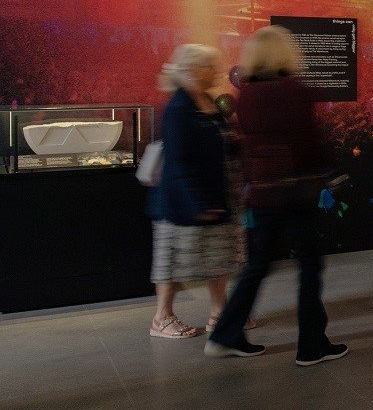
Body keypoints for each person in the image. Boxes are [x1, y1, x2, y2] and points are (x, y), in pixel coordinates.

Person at [207, 25, 348, 366]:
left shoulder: (247, 95)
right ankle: (311, 346)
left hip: (262, 194)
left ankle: (226, 335)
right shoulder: (295, 90)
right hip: (296, 192)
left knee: (256, 267)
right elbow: (308, 141)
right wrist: (331, 173)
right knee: (309, 268)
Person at [149, 44, 242, 340]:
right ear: (193, 70)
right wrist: (199, 202)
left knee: (218, 257)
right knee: (172, 260)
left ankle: (220, 313)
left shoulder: (208, 101)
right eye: (210, 67)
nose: (216, 72)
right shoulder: (178, 108)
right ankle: (162, 318)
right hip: (182, 202)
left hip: (213, 195)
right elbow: (180, 161)